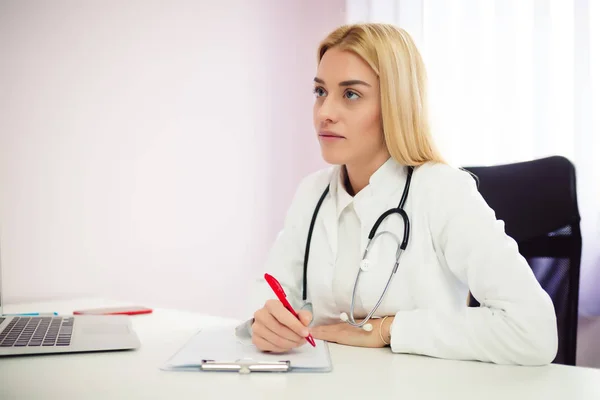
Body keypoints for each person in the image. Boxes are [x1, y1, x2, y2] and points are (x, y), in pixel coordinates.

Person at [236, 23, 558, 366]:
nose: (325, 112)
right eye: (320, 92)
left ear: (395, 104)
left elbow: (533, 330)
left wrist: (387, 330)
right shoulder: (312, 193)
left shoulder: (442, 191)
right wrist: (265, 324)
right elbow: (267, 295)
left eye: (350, 94)